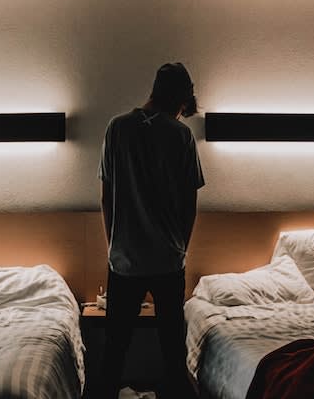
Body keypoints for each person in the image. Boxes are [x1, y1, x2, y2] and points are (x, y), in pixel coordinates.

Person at [97, 63, 204, 399]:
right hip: (168, 260)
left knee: (114, 352)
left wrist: (112, 244)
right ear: (180, 97)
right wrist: (181, 247)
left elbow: (106, 195)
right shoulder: (181, 135)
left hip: (124, 259)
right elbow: (189, 202)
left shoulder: (117, 128)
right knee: (172, 352)